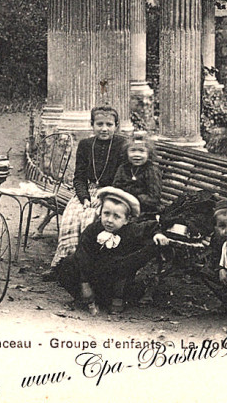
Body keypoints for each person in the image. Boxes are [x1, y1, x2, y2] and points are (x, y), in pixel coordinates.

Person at [55, 186, 170, 315]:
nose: (109, 220)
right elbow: (83, 255)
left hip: (115, 275)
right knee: (68, 263)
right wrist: (84, 283)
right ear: (100, 212)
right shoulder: (93, 230)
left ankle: (119, 296)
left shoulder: (131, 229)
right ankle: (85, 297)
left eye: (116, 217)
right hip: (92, 273)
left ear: (126, 220)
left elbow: (151, 226)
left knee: (137, 257)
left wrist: (157, 234)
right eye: (106, 214)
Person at [46, 105, 128, 274]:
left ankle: (86, 268)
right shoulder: (85, 145)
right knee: (72, 216)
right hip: (88, 192)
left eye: (109, 124)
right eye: (99, 124)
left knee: (91, 219)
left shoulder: (122, 144)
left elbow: (122, 177)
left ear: (116, 125)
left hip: (113, 193)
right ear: (92, 125)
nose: (104, 129)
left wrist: (105, 196)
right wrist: (84, 198)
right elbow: (79, 177)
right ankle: (65, 264)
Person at [112, 135, 162, 218]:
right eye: (133, 150)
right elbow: (116, 187)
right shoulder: (123, 168)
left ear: (149, 154)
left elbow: (154, 199)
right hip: (122, 205)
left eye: (141, 151)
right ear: (126, 153)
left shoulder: (151, 170)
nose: (137, 155)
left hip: (145, 209)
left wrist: (133, 197)